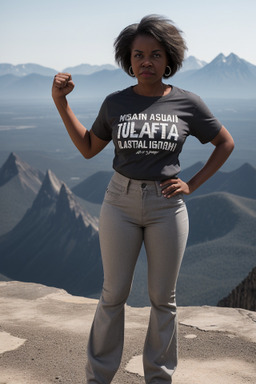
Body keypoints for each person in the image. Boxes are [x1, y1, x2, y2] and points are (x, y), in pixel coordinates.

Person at [52, 14, 234, 384]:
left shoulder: (187, 103)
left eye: (154, 54)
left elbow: (224, 143)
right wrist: (61, 103)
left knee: (162, 298)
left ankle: (158, 378)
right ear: (128, 59)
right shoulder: (115, 103)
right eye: (138, 55)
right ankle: (98, 377)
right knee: (112, 294)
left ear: (169, 59)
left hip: (167, 205)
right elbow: (89, 147)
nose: (146, 62)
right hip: (119, 200)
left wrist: (192, 184)